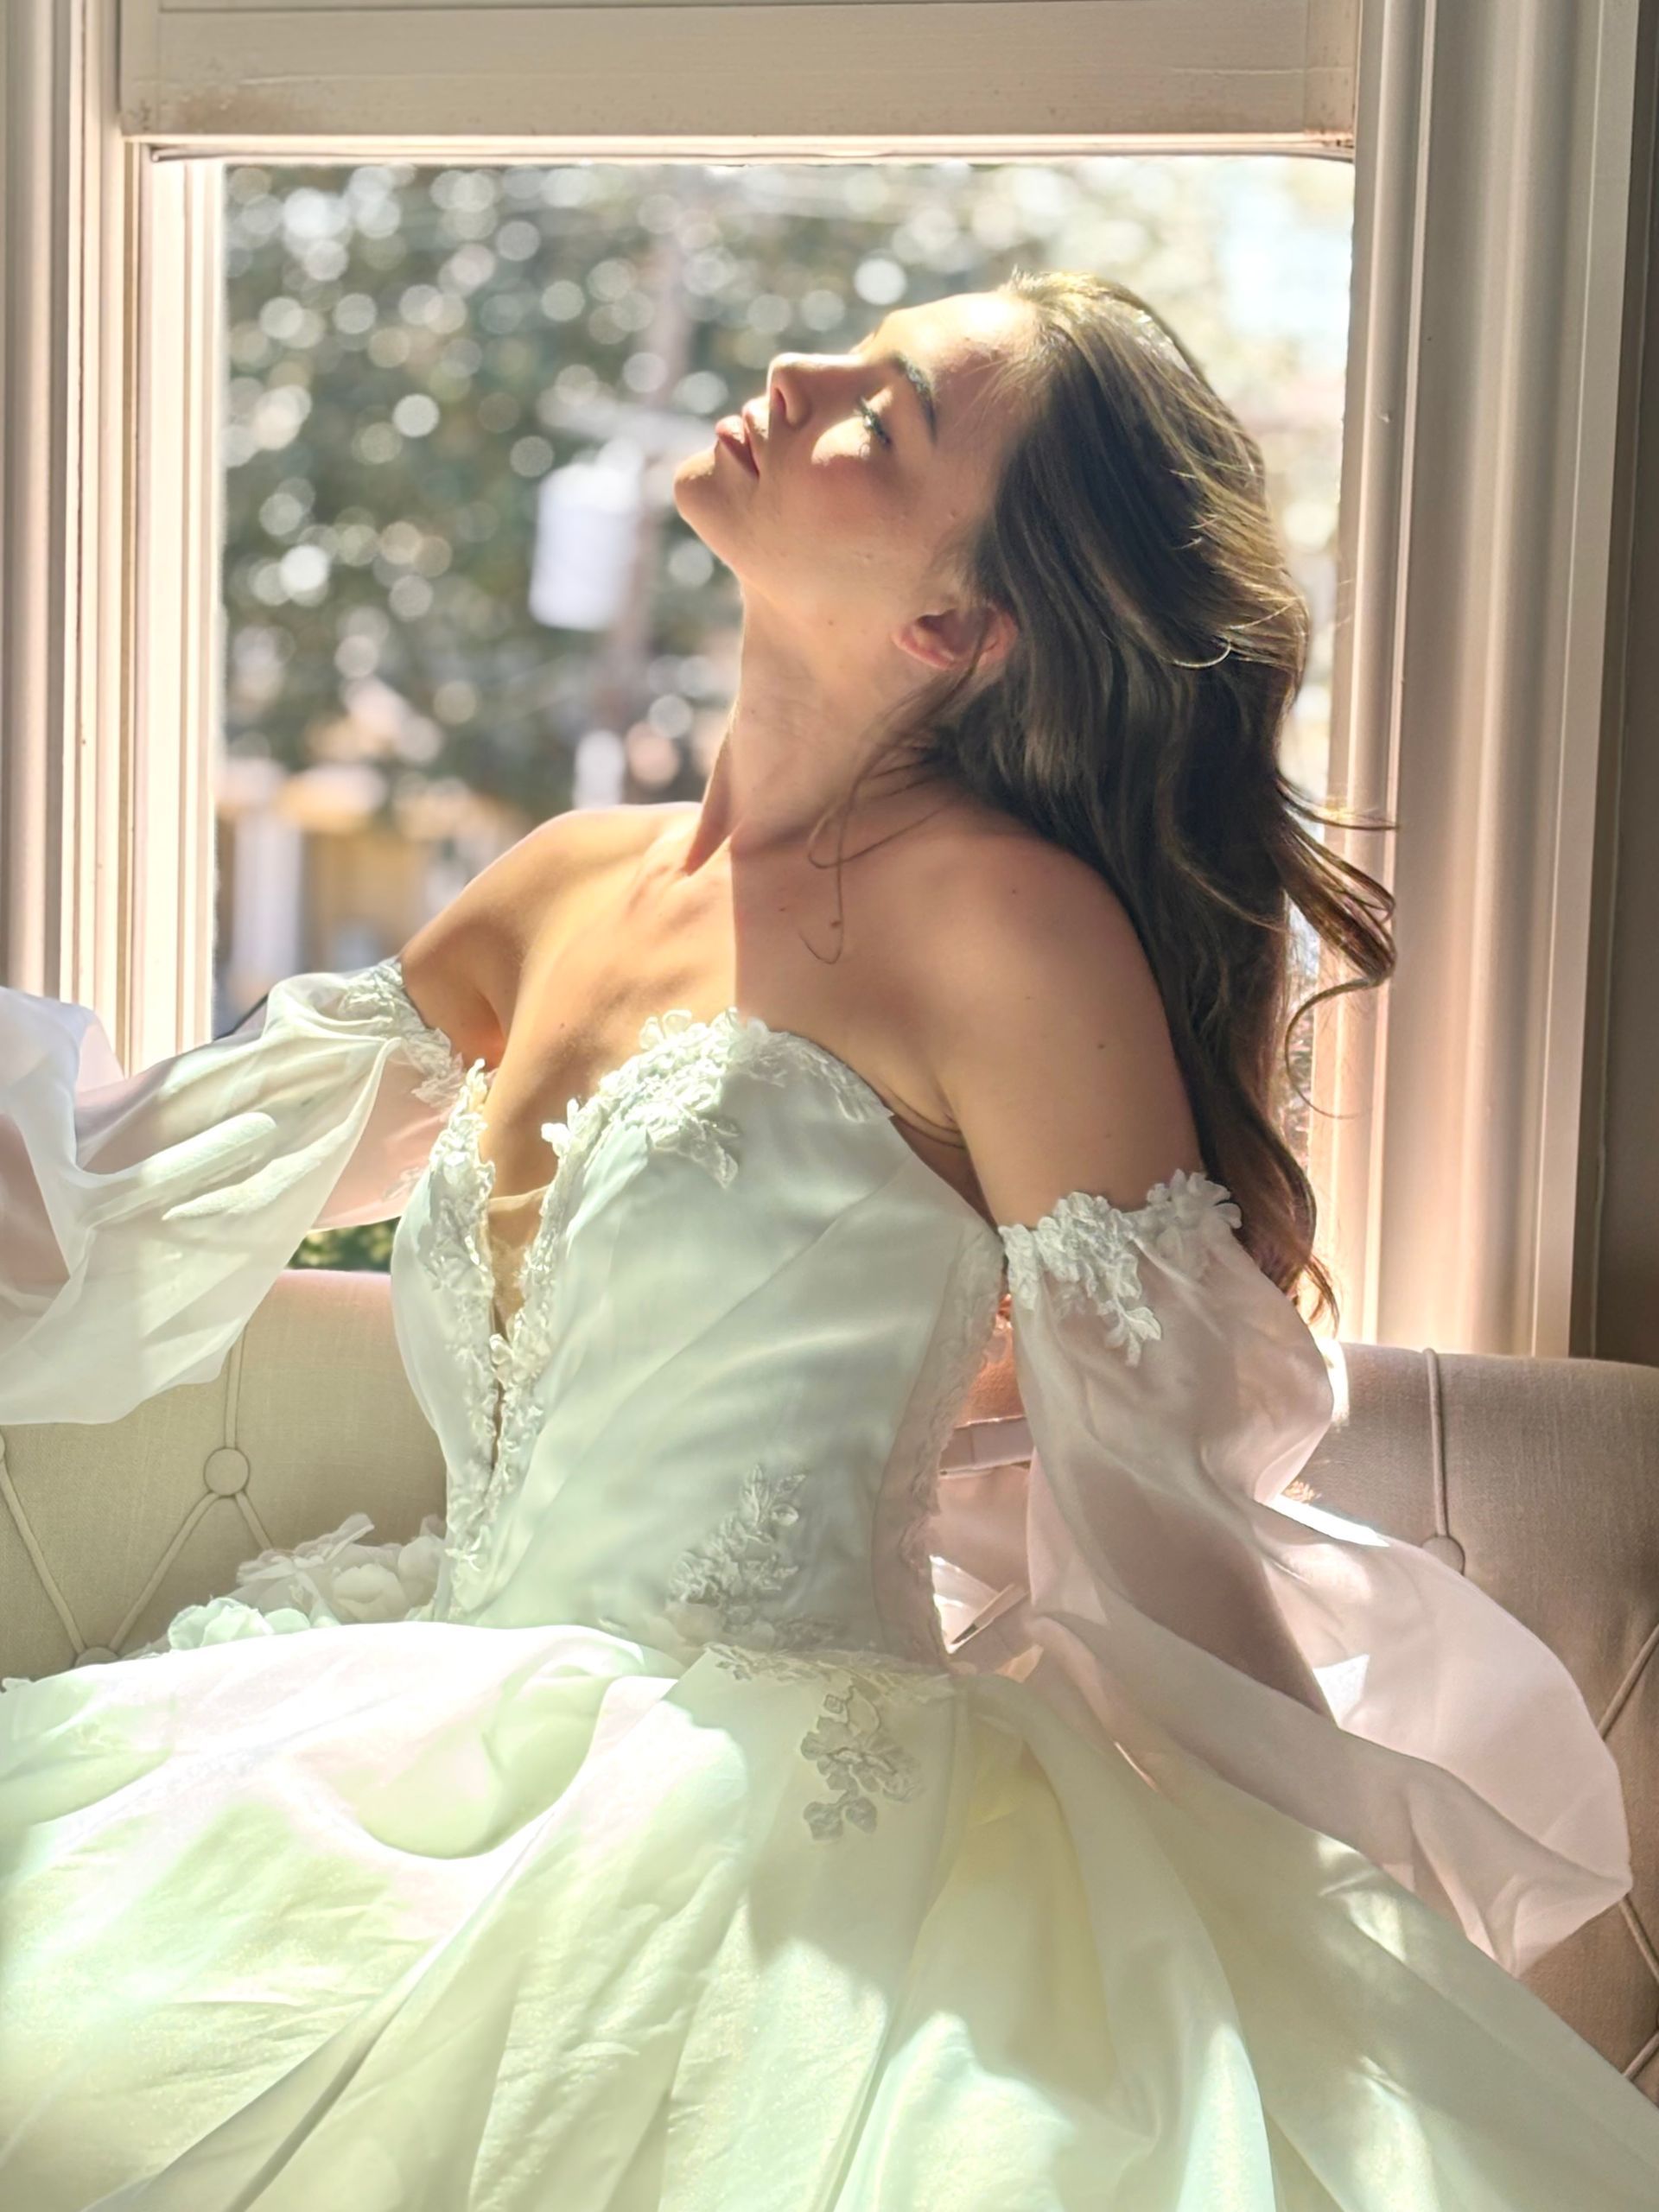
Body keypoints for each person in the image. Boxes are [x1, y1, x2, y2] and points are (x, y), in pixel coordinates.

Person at [1, 272, 1656, 2208]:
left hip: (794, 1845)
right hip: (410, 1742)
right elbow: (116, 1203)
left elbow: (1161, 1521)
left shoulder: (1010, 935)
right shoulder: (559, 882)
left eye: (886, 415)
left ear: (960, 624)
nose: (797, 378)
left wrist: (1335, 1947)